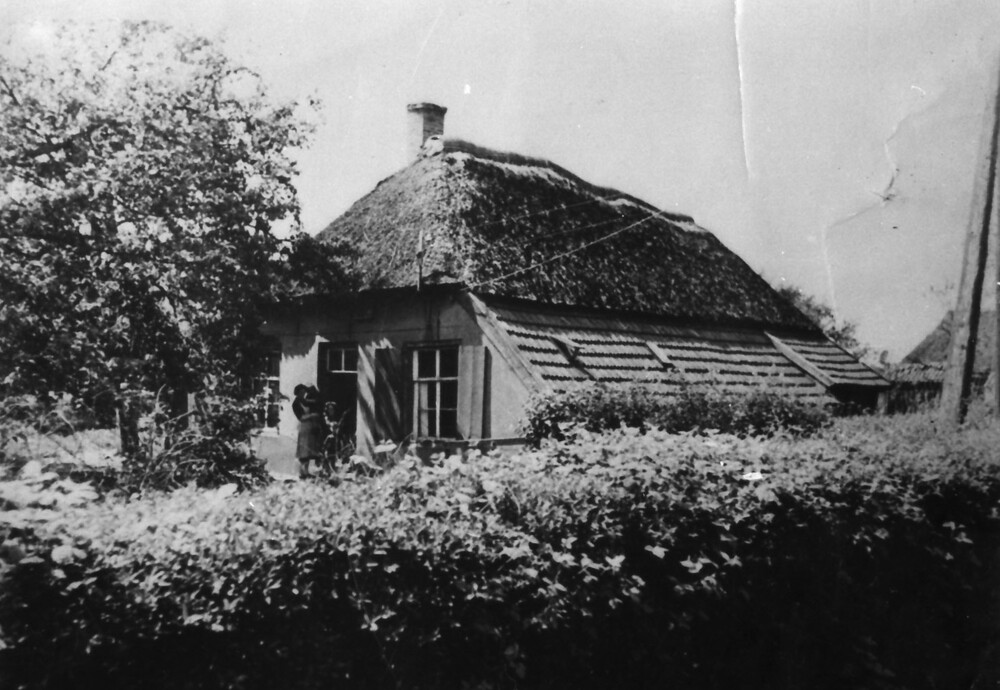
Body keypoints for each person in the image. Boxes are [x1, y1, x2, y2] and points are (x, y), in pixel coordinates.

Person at [292, 384, 323, 478]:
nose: (303, 393)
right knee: (304, 449)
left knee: (309, 449)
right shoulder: (295, 403)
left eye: (304, 392)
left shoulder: (305, 401)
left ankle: (306, 471)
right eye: (301, 392)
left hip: (310, 426)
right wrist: (312, 416)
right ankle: (302, 472)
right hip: (304, 427)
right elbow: (301, 417)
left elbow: (315, 402)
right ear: (298, 393)